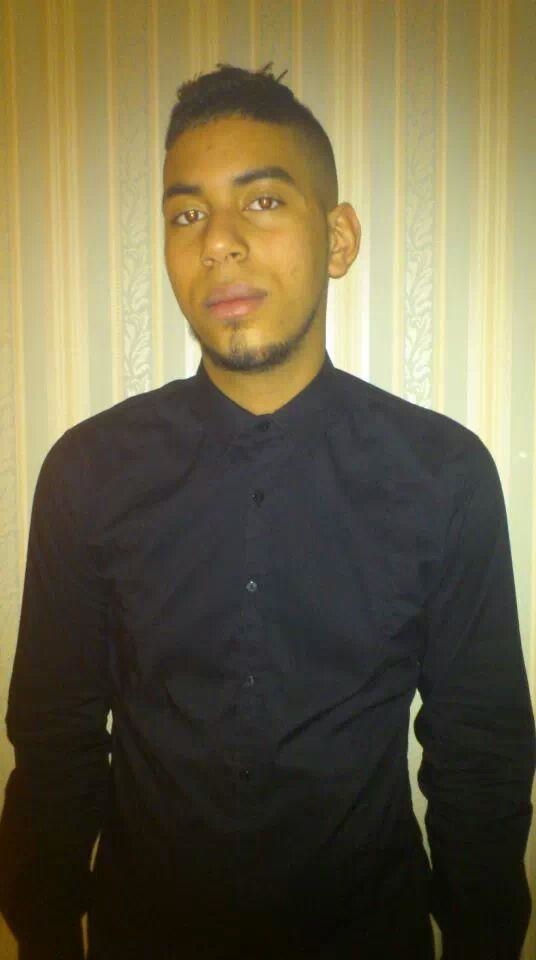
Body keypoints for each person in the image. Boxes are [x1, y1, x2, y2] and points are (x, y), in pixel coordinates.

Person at [0, 62, 534, 960]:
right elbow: (54, 743)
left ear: (338, 237)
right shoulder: (87, 473)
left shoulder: (444, 476)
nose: (217, 242)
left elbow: (480, 754)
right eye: (186, 214)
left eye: (262, 201)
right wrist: (44, 933)